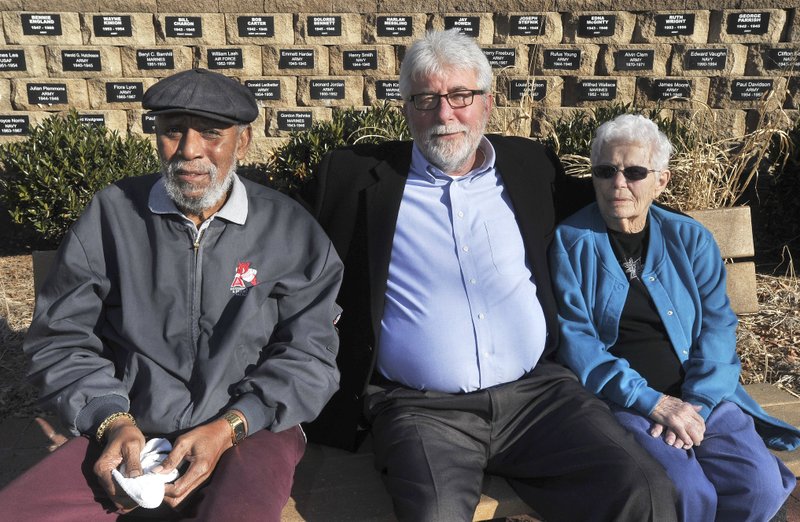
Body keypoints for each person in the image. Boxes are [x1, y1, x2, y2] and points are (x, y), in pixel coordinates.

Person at [303, 29, 678, 522]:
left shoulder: (528, 165)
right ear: (405, 107)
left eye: (460, 96)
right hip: (423, 410)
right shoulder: (353, 178)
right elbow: (279, 239)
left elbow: (617, 209)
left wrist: (684, 239)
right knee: (435, 513)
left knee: (644, 488)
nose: (444, 115)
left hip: (540, 396)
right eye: (426, 99)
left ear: (487, 102)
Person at [0, 68, 344, 521]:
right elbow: (61, 338)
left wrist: (230, 426)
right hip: (131, 428)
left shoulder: (290, 230)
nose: (189, 151)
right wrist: (111, 420)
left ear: (242, 142)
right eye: (172, 131)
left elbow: (310, 353)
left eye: (211, 134)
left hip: (251, 428)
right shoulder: (112, 216)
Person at [550, 113, 799, 521]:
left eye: (633, 171)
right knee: (683, 491)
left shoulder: (690, 238)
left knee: (759, 485)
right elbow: (576, 340)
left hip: (704, 395)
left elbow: (718, 326)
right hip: (624, 400)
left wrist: (695, 404)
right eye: (605, 170)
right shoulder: (571, 242)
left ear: (660, 180)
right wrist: (653, 403)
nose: (618, 183)